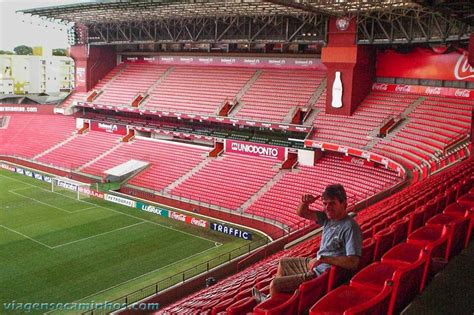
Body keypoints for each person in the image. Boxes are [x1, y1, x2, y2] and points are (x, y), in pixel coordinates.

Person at [253, 184, 362, 302]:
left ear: (344, 204)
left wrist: (323, 259)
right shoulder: (328, 217)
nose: (327, 208)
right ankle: (271, 298)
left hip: (320, 273)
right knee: (284, 263)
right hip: (318, 263)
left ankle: (273, 306)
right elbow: (302, 213)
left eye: (332, 203)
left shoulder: (350, 227)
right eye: (325, 204)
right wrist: (304, 202)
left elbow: (353, 262)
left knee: (275, 284)